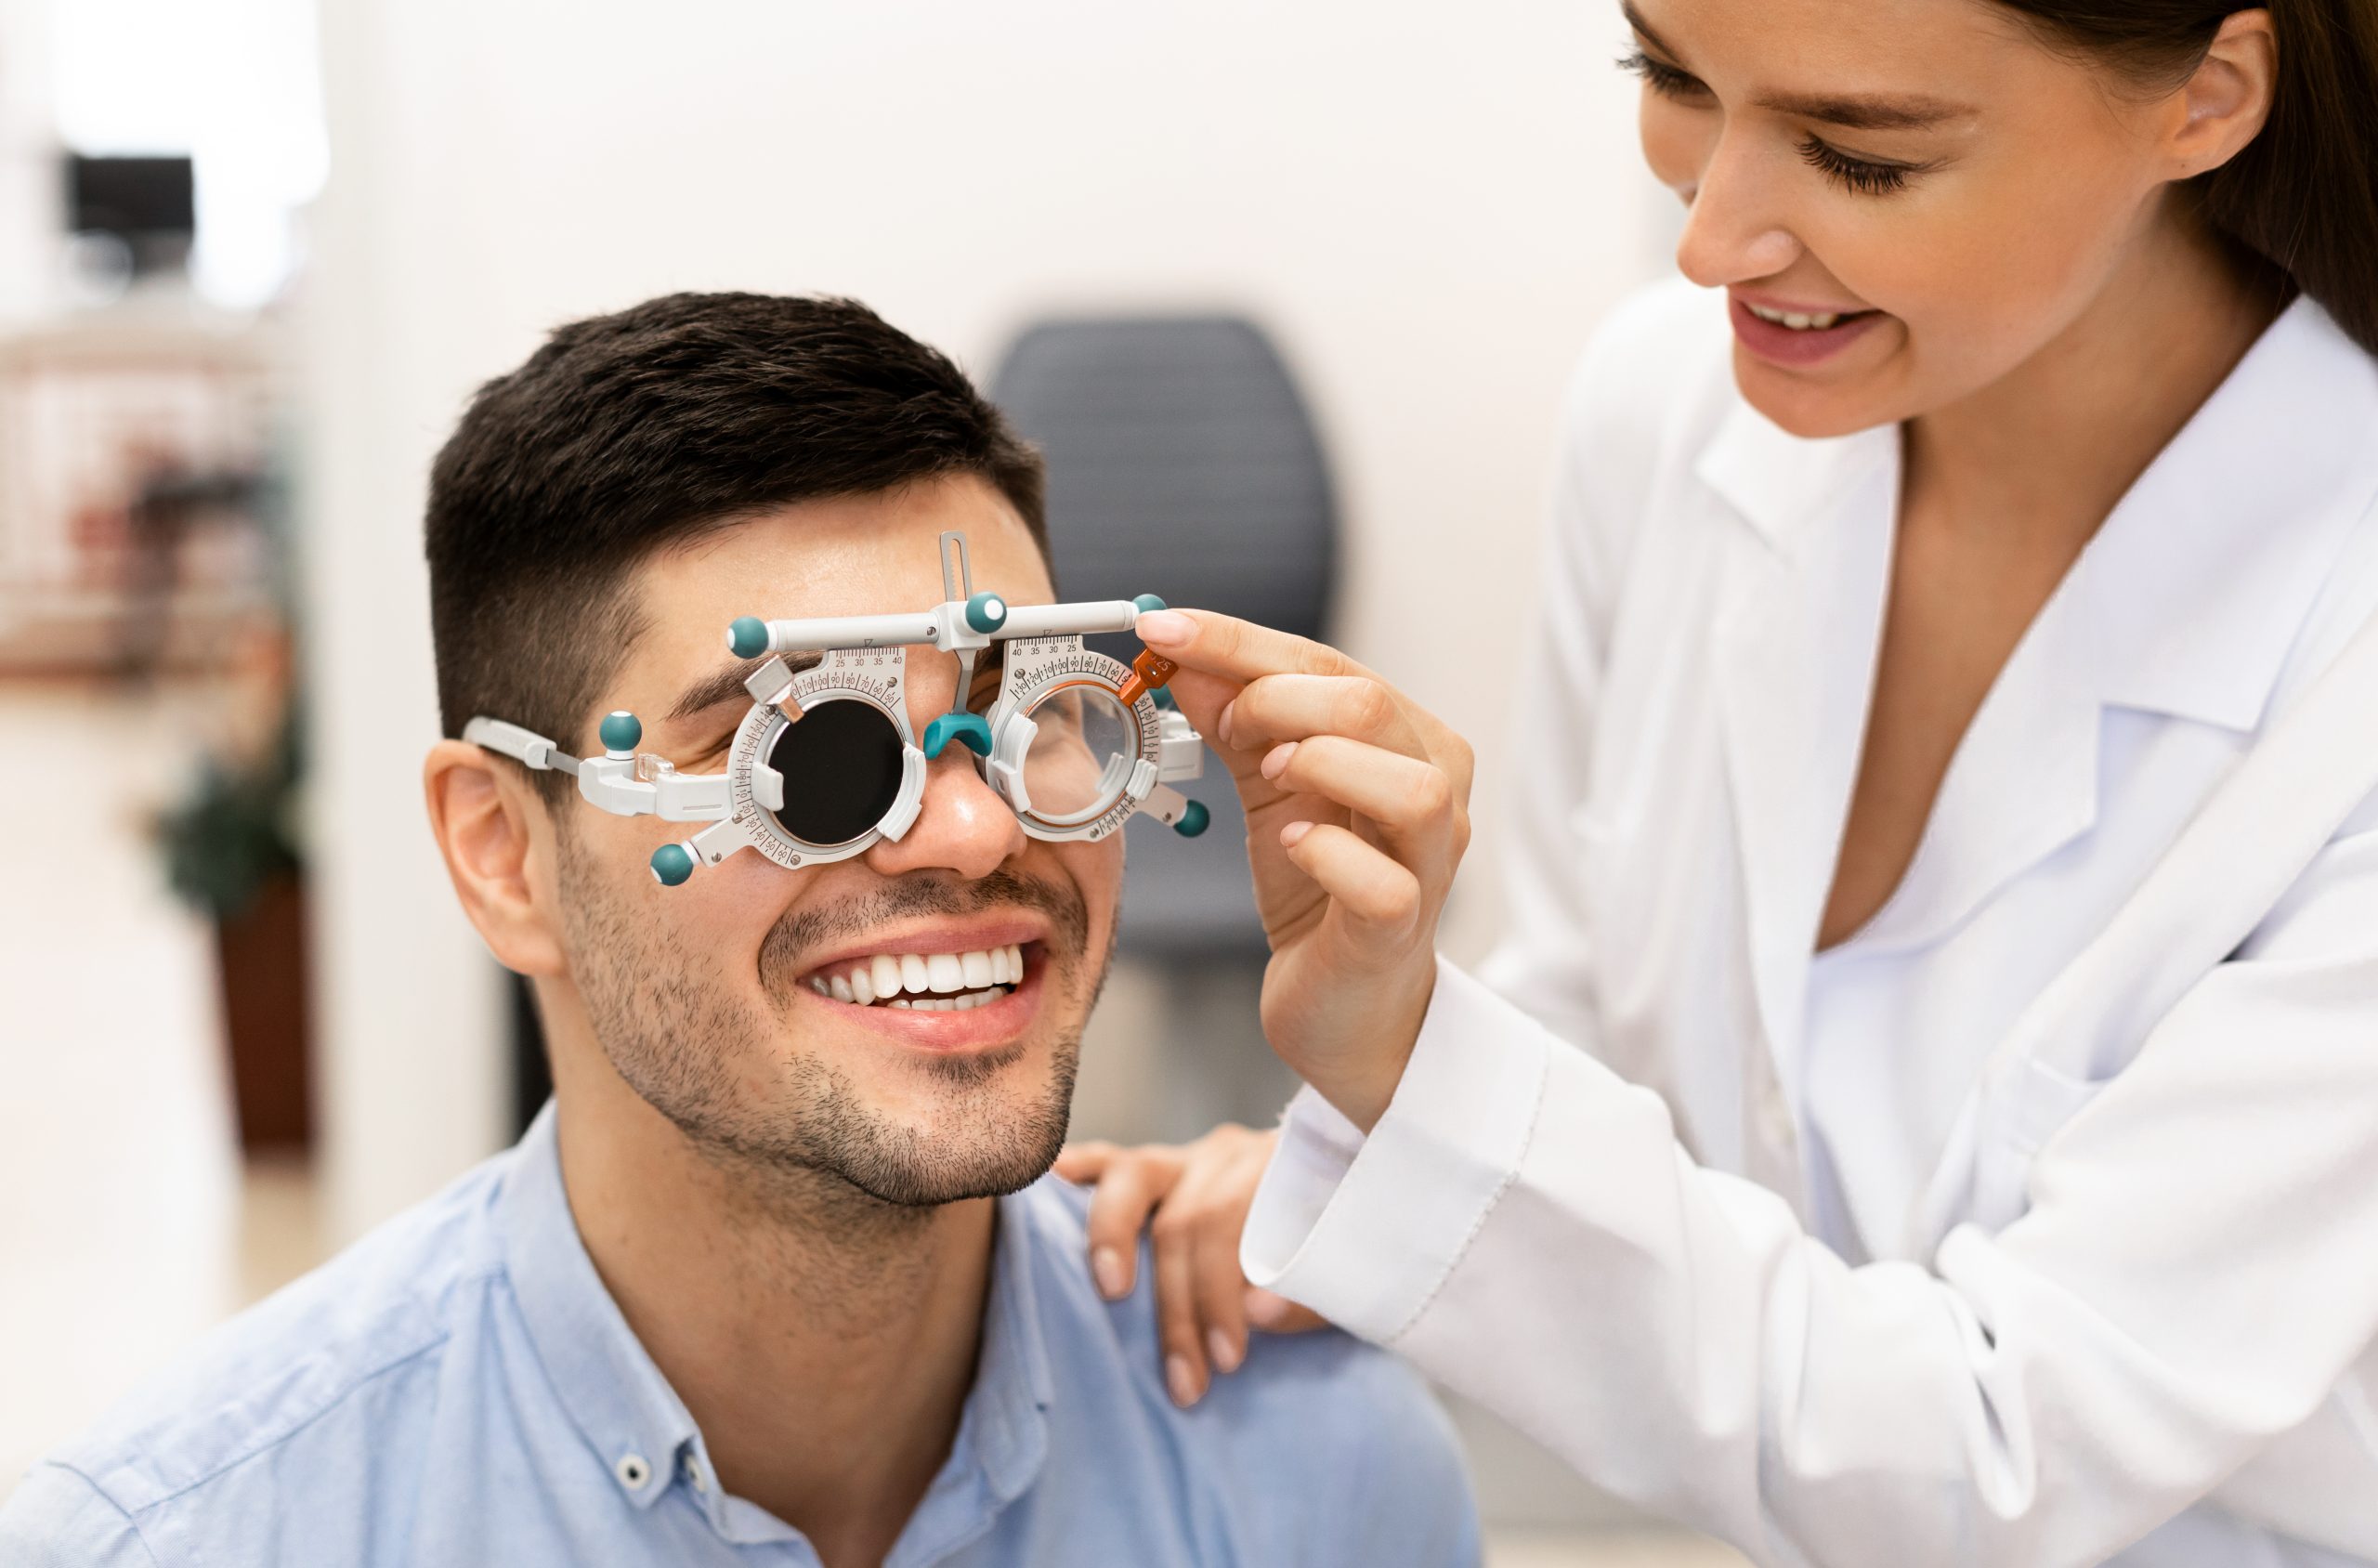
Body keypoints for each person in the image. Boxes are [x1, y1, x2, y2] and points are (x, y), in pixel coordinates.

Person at [1060, 2, 2378, 1564]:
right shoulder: (1667, 409)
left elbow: (2001, 1448)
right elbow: (1605, 1000)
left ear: (2208, 99)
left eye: (1858, 153)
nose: (1709, 243)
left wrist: (1431, 1099)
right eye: (1672, 76)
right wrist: (1359, 1163)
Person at [0, 294, 1478, 1567]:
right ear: (505, 854)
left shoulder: (1314, 1470)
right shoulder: (193, 1538)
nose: (975, 831)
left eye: (1036, 712)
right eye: (810, 758)